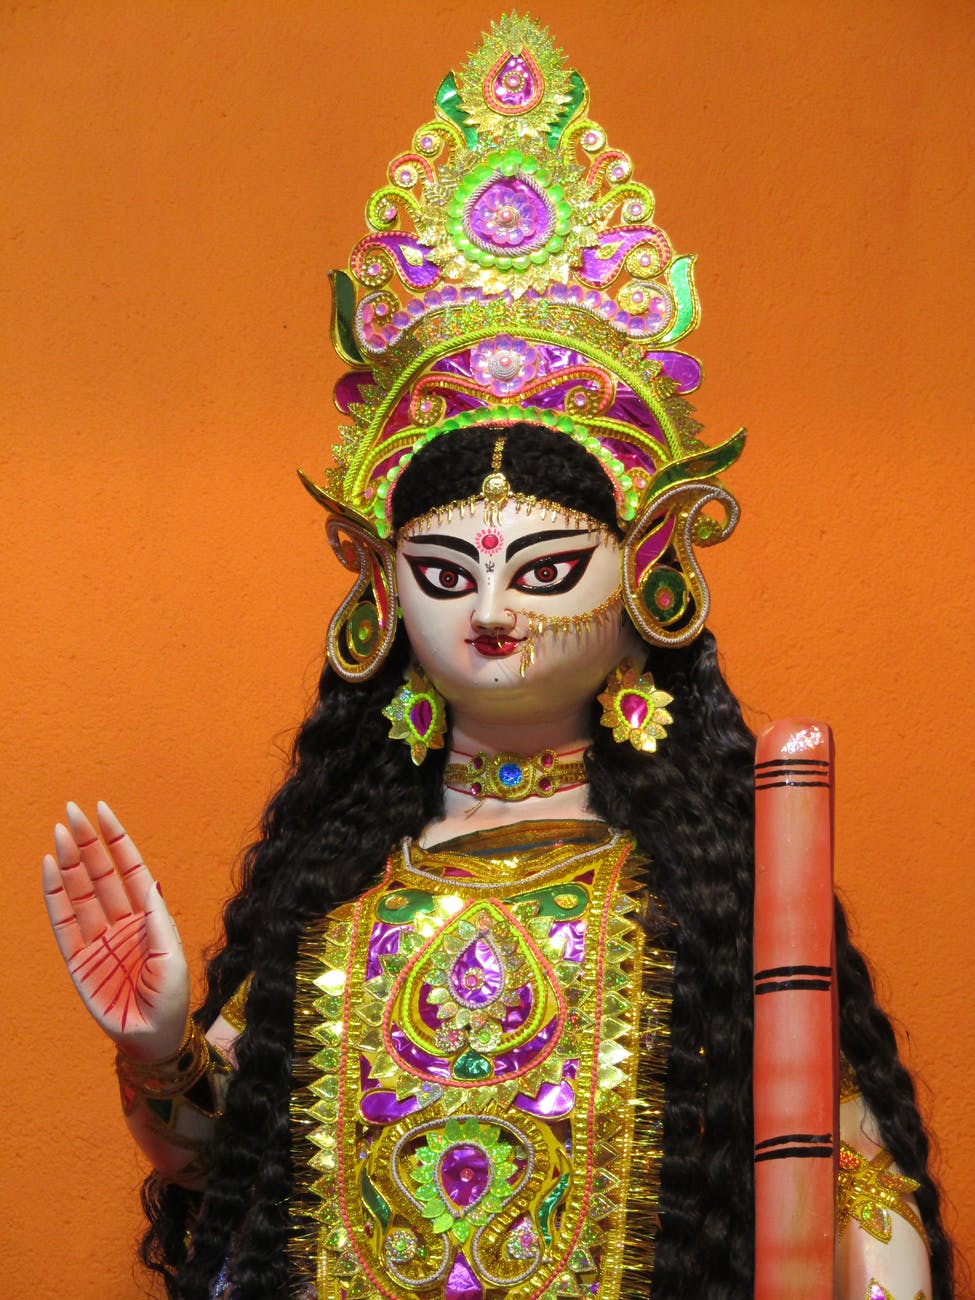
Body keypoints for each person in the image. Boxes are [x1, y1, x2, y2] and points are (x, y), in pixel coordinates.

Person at [42, 15, 954, 1300]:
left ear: (652, 580)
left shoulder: (707, 898)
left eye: (545, 571)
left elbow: (849, 1180)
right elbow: (217, 1157)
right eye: (443, 573)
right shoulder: (340, 890)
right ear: (380, 594)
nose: (488, 611)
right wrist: (157, 1047)